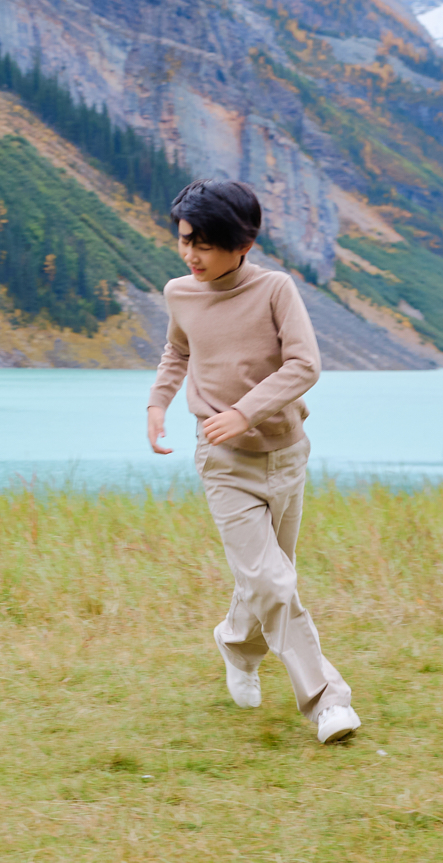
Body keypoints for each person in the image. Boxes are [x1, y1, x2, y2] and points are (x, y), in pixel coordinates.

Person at [147, 179, 363, 744]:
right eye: (185, 240)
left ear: (243, 244)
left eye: (206, 244)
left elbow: (304, 365)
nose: (192, 254)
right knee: (271, 579)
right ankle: (327, 701)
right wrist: (157, 403)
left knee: (269, 580)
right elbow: (179, 349)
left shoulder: (275, 289)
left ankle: (236, 644)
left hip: (286, 454)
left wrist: (245, 411)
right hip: (223, 461)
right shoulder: (180, 292)